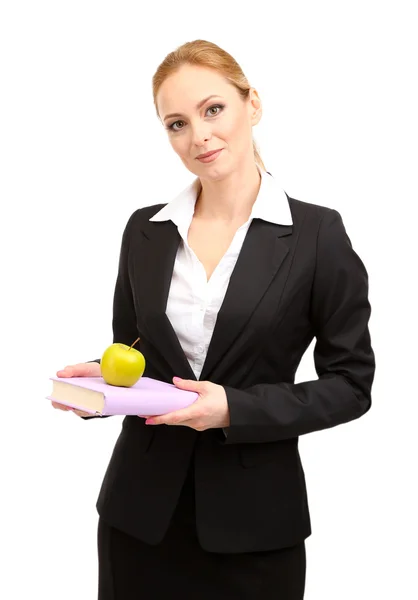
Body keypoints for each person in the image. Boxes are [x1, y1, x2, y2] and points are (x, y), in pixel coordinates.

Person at [53, 39, 375, 599]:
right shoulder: (145, 231)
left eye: (213, 109)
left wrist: (235, 408)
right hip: (140, 518)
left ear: (252, 104)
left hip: (255, 528)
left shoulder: (318, 236)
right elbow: (138, 353)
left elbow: (351, 386)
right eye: (176, 123)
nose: (198, 135)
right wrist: (103, 382)